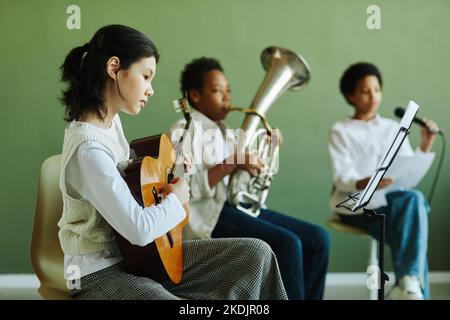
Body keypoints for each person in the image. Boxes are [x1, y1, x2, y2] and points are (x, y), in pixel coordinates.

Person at [57, 25, 287, 300]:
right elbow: (139, 229)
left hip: (138, 257)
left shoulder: (110, 123)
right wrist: (176, 199)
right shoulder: (88, 149)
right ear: (114, 67)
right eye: (146, 76)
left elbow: (130, 184)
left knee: (255, 254)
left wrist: (173, 167)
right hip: (98, 273)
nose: (150, 89)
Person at [169, 57, 330, 300]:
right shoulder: (183, 129)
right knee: (287, 244)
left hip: (233, 208)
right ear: (195, 95)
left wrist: (267, 149)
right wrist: (234, 162)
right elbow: (183, 187)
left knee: (318, 239)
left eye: (228, 91)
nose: (226, 97)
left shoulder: (226, 133)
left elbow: (241, 186)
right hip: (207, 217)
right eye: (216, 91)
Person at [328, 62, 438, 300]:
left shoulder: (392, 129)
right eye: (365, 91)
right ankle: (409, 286)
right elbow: (341, 177)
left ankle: (407, 286)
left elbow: (409, 172)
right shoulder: (341, 130)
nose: (373, 96)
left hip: (392, 205)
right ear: (350, 96)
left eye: (377, 89)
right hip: (356, 207)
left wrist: (425, 144)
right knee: (415, 224)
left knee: (414, 202)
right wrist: (369, 181)